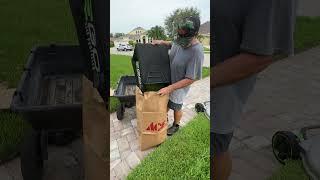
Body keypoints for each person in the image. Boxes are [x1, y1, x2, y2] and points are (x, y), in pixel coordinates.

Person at [211, 0, 297, 179]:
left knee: (215, 148)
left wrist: (202, 82)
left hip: (222, 85)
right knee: (215, 148)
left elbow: (261, 55)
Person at [152, 16, 204, 136]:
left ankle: (176, 125)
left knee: (176, 106)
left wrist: (170, 88)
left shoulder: (197, 51)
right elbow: (173, 44)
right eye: (179, 36)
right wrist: (161, 42)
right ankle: (164, 119)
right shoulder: (180, 39)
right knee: (166, 103)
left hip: (179, 86)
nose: (180, 39)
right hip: (168, 79)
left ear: (194, 33)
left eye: (183, 37)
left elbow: (191, 78)